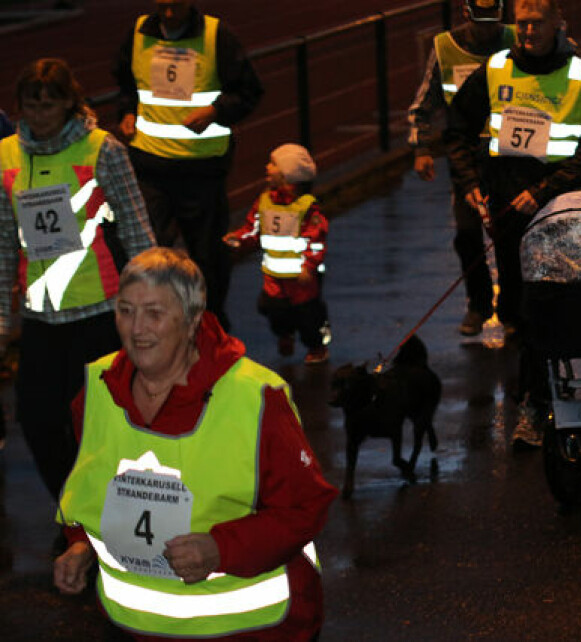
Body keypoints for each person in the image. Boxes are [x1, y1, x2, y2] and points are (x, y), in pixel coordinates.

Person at [53, 247, 338, 641]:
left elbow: (305, 507)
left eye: (154, 313)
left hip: (253, 629)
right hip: (138, 630)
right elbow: (91, 491)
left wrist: (221, 549)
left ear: (190, 322)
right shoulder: (98, 390)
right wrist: (81, 546)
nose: (136, 329)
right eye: (125, 310)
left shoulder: (254, 398)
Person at [445, 0, 581, 447]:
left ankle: (538, 403)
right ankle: (539, 391)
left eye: (537, 22)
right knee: (518, 307)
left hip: (560, 208)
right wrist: (469, 181)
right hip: (507, 211)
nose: (528, 31)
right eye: (521, 23)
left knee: (551, 304)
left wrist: (544, 189)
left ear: (559, 21)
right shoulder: (496, 69)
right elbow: (457, 128)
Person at [0, 58, 156, 503]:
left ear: (70, 103)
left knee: (93, 425)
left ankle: (97, 520)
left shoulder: (102, 149)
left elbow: (135, 227)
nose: (40, 116)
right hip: (41, 316)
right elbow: (4, 242)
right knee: (36, 420)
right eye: (31, 106)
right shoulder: (6, 155)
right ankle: (75, 513)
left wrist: (156, 303)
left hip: (100, 312)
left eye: (50, 106)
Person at [115, 0, 264, 332]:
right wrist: (127, 112)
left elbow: (249, 91)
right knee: (148, 255)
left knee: (207, 256)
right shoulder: (139, 34)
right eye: (164, 6)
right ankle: (156, 327)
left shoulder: (216, 36)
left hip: (202, 169)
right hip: (150, 165)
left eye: (177, 6)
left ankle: (210, 330)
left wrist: (215, 112)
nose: (169, 14)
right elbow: (127, 85)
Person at [407, 0, 516, 336]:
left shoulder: (518, 40)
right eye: (480, 22)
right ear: (465, 15)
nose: (487, 30)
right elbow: (424, 102)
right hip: (465, 158)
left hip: (511, 157)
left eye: (492, 22)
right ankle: (479, 305)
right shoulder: (445, 48)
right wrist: (421, 147)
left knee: (510, 238)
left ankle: (511, 311)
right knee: (468, 236)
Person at [223, 143, 331, 365]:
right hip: (274, 277)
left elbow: (316, 240)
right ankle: (285, 334)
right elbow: (253, 228)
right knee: (273, 310)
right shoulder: (264, 201)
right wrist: (238, 239)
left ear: (288, 174)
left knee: (308, 315)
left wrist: (308, 266)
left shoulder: (307, 208)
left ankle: (317, 346)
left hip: (302, 281)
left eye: (273, 164)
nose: (267, 167)